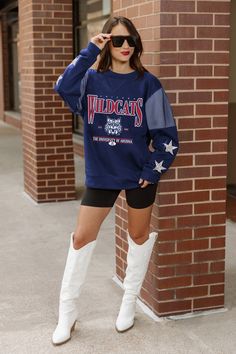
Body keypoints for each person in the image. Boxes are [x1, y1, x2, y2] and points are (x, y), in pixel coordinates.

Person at [52, 16, 179, 346]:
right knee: (81, 238)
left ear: (137, 44)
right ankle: (67, 313)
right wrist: (87, 53)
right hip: (102, 174)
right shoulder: (90, 80)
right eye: (117, 40)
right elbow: (62, 86)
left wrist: (152, 171)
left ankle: (128, 304)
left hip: (139, 175)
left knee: (138, 236)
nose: (125, 47)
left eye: (131, 41)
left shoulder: (147, 84)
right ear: (106, 43)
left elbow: (167, 135)